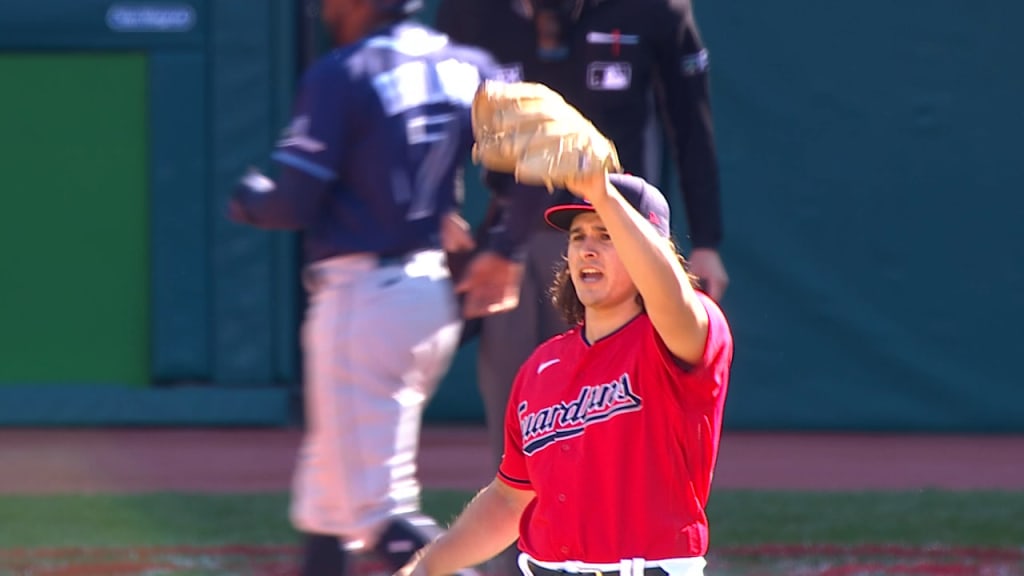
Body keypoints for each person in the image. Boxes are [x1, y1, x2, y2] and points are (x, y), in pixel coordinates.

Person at [228, 0, 531, 573]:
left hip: (363, 300)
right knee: (328, 507)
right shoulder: (468, 63)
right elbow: (536, 160)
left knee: (380, 522)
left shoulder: (344, 72)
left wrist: (249, 198)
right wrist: (503, 249)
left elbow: (293, 200)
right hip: (423, 298)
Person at [434, 0, 730, 486]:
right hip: (515, 238)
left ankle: (622, 554)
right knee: (521, 430)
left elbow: (691, 125)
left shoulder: (656, 10)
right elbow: (441, 109)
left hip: (621, 236)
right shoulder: (472, 11)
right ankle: (518, 562)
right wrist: (442, 204)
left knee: (617, 418)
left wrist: (707, 241)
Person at [394, 169, 734, 576]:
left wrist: (604, 194)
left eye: (607, 235)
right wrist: (424, 568)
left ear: (650, 247)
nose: (587, 249)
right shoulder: (542, 366)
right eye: (577, 237)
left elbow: (671, 295)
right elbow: (509, 498)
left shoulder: (682, 334)